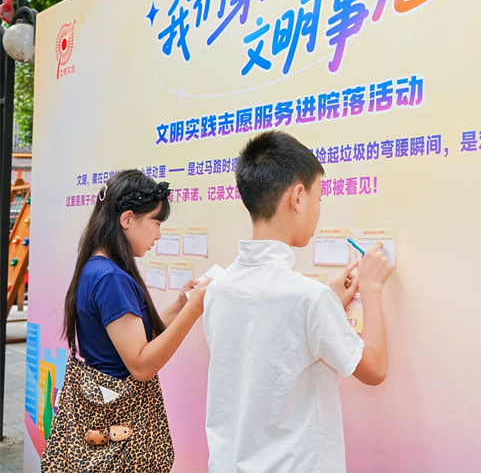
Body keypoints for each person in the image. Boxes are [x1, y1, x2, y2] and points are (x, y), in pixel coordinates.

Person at [204, 131, 394, 472]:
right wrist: (371, 287)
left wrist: (329, 303)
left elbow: (271, 346)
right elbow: (375, 369)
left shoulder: (219, 289)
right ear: (297, 198)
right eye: (319, 197)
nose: (319, 208)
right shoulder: (309, 298)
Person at [61, 169, 209, 381]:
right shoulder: (111, 278)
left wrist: (180, 305)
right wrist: (194, 309)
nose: (158, 235)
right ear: (127, 219)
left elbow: (139, 338)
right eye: (157, 223)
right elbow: (141, 367)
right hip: (119, 399)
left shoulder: (97, 267)